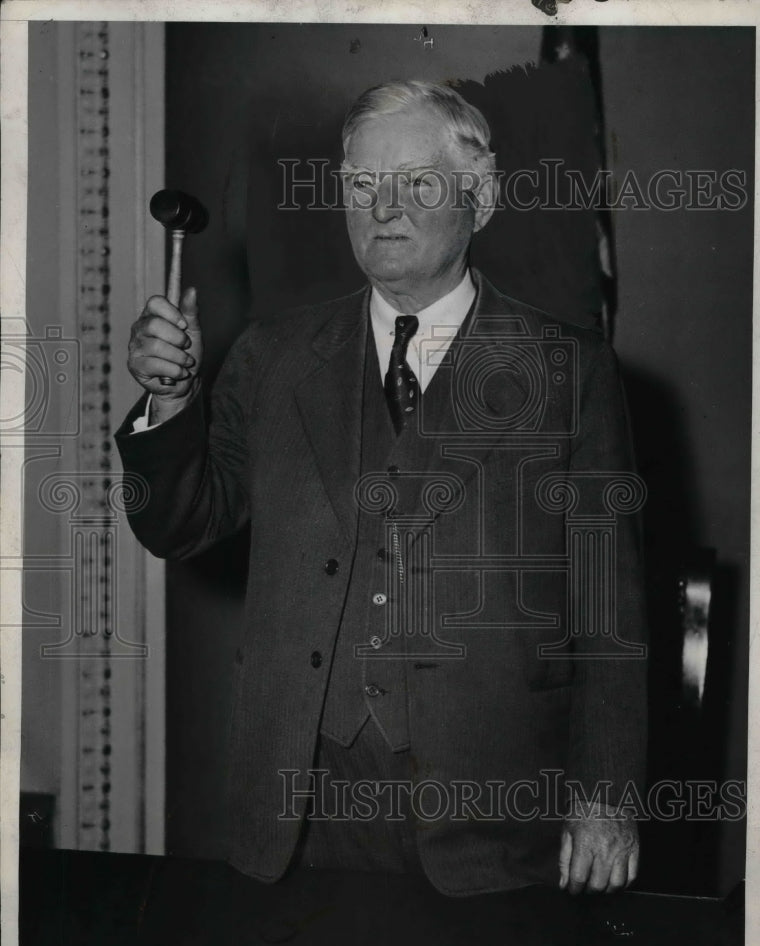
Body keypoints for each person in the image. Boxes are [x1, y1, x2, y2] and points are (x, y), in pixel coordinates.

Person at [116, 80, 647, 897]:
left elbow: (609, 607)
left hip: (493, 813)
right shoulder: (274, 356)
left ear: (482, 198)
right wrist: (170, 403)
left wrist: (605, 796)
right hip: (302, 808)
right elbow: (180, 522)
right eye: (362, 184)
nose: (383, 207)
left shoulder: (566, 369)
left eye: (416, 182)